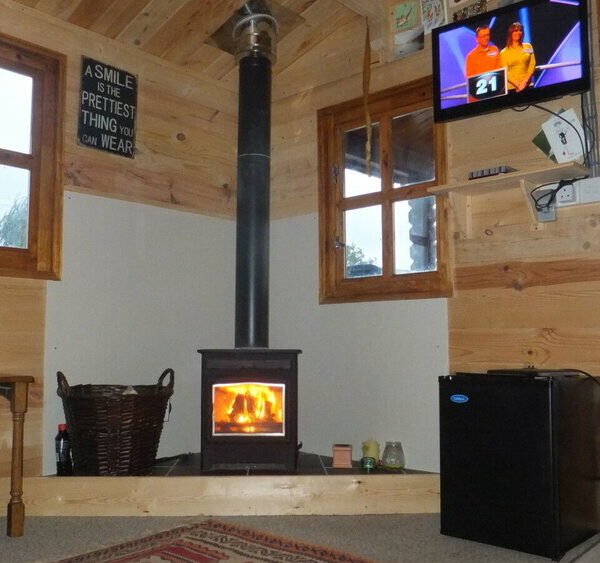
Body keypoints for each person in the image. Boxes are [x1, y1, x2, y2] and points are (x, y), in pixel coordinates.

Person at [465, 26, 501, 102]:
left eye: (488, 35)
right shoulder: (471, 56)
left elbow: (500, 70)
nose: (486, 38)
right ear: (477, 39)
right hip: (479, 97)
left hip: (496, 93)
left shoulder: (495, 49)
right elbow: (470, 78)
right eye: (483, 36)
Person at [500, 22, 536, 92]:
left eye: (520, 30)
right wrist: (518, 85)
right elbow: (506, 72)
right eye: (516, 31)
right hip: (513, 88)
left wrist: (524, 82)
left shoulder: (528, 46)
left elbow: (532, 64)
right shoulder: (503, 53)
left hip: (528, 84)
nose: (519, 32)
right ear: (511, 33)